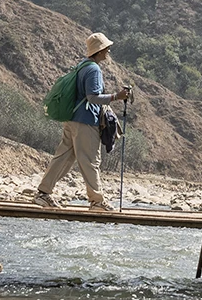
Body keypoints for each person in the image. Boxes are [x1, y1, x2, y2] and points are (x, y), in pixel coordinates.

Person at [33, 32, 133, 211]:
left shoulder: (82, 66)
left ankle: (43, 193)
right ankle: (97, 201)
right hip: (86, 121)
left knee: (63, 157)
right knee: (90, 160)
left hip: (72, 120)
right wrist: (117, 97)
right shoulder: (94, 69)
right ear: (100, 50)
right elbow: (92, 97)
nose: (108, 51)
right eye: (106, 48)